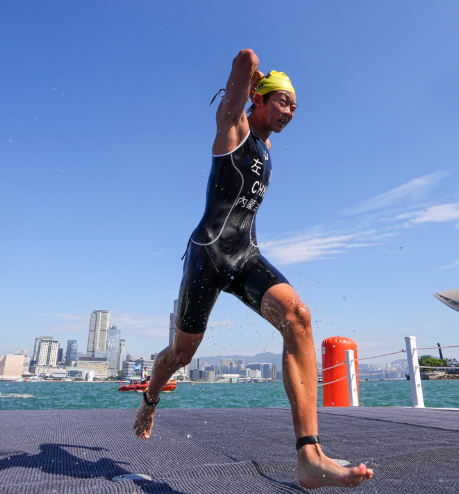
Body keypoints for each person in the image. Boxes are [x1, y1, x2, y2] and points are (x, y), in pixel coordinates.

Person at [133, 49, 373, 489]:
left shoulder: (266, 147)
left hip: (245, 255)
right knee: (181, 355)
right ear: (257, 98)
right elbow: (245, 58)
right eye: (283, 101)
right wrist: (256, 78)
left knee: (298, 317)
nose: (290, 112)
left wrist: (269, 90)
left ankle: (309, 455)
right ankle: (150, 397)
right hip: (209, 255)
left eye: (295, 107)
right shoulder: (234, 128)